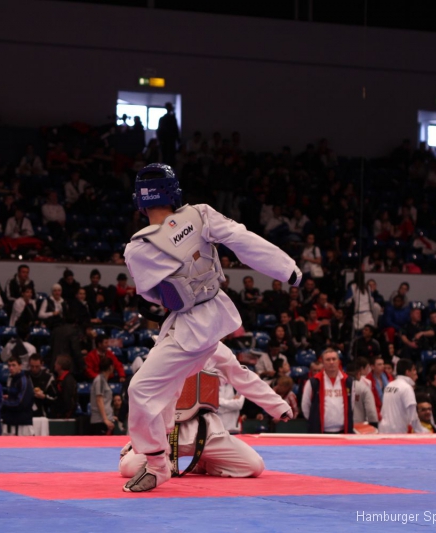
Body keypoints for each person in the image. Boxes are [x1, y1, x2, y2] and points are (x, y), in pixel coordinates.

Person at [123, 163, 302, 492]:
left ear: (140, 202)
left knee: (142, 390)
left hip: (192, 326)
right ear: (174, 193)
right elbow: (243, 240)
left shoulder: (137, 249)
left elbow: (156, 297)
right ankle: (154, 454)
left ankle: (157, 464)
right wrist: (287, 269)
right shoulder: (200, 214)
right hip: (209, 315)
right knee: (163, 389)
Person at [120, 343, 293, 479]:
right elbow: (144, 392)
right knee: (129, 468)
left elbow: (245, 378)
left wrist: (278, 406)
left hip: (208, 431)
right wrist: (144, 436)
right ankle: (142, 449)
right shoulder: (162, 347)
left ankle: (205, 461)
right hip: (168, 431)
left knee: (254, 466)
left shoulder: (218, 350)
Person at [302, 348, 353, 434]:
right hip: (320, 431)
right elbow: (305, 406)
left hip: (343, 431)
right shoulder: (313, 382)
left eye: (334, 359)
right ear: (323, 362)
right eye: (328, 360)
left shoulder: (348, 381)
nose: (331, 362)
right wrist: (314, 420)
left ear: (338, 361)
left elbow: (351, 405)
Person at [377, 359, 426, 434]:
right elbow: (413, 416)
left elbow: (383, 411)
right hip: (397, 432)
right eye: (414, 370)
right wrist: (422, 432)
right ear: (407, 372)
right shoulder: (406, 388)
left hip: (383, 430)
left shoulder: (389, 385)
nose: (416, 372)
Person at [1, 355, 35, 435]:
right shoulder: (11, 379)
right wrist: (9, 398)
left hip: (23, 424)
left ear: (20, 366)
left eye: (13, 365)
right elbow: (15, 396)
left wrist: (3, 402)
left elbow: (20, 403)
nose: (11, 368)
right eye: (9, 365)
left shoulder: (24, 381)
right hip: (11, 421)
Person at [90, 357, 115, 435]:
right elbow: (99, 400)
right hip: (100, 421)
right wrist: (105, 419)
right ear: (110, 367)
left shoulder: (104, 380)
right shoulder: (99, 380)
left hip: (106, 420)